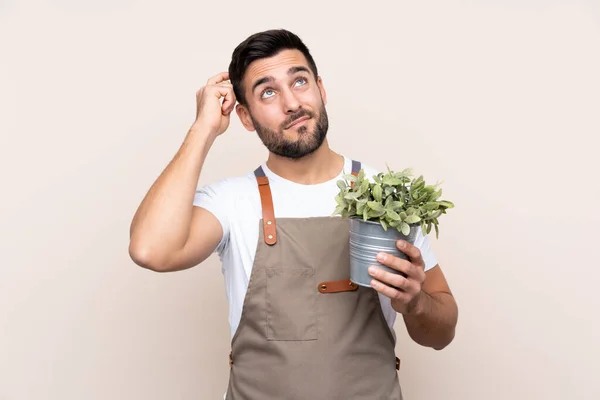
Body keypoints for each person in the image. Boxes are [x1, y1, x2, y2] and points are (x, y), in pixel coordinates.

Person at [128, 28, 458, 399]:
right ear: (246, 117)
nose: (291, 103)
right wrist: (203, 129)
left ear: (321, 89)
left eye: (299, 81)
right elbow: (149, 250)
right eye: (267, 92)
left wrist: (415, 303)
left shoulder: (385, 197)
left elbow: (442, 333)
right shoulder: (232, 201)